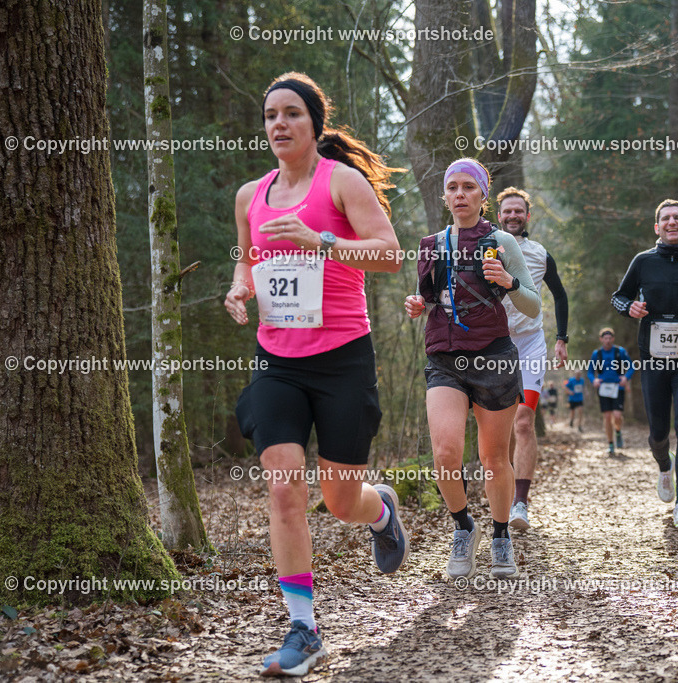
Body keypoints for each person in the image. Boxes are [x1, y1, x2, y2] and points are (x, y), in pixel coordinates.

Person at [225, 72, 409, 677]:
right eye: (270, 115)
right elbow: (251, 261)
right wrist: (239, 289)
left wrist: (321, 239)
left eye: (292, 114)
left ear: (315, 124)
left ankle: (380, 510)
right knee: (284, 488)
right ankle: (302, 627)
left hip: (341, 360)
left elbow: (389, 252)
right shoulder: (251, 195)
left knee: (339, 499)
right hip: (277, 361)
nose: (279, 124)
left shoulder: (342, 182)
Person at [404, 159, 540, 580]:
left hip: (493, 356)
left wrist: (510, 281)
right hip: (444, 357)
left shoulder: (501, 241)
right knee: (445, 453)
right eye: (452, 187)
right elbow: (427, 297)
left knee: (493, 457)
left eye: (468, 187)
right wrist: (416, 304)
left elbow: (533, 307)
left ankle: (501, 536)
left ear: (483, 195)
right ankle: (464, 528)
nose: (459, 193)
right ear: (444, 196)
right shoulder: (431, 244)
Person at [611, 198, 678, 528]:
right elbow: (619, 297)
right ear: (657, 227)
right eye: (665, 218)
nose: (672, 222)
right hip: (654, 360)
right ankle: (663, 465)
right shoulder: (643, 261)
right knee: (658, 432)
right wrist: (629, 308)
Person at [495, 187, 569, 531]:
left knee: (523, 422)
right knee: (500, 426)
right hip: (492, 347)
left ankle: (520, 504)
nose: (513, 216)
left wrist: (561, 339)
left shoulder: (540, 253)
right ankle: (502, 496)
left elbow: (560, 295)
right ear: (498, 215)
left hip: (530, 346)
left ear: (527, 216)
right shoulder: (486, 246)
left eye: (519, 211)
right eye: (507, 211)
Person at [587, 328, 634, 454]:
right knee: (607, 416)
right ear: (601, 339)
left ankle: (618, 431)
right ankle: (610, 443)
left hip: (618, 387)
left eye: (609, 338)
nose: (607, 341)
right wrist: (594, 380)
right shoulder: (597, 354)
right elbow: (590, 371)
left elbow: (631, 367)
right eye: (605, 338)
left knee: (617, 416)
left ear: (613, 339)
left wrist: (626, 377)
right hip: (603, 388)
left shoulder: (620, 352)